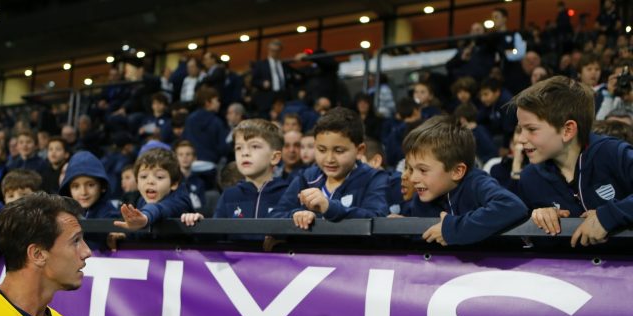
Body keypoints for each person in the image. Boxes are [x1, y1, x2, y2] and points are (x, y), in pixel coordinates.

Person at [513, 75, 633, 247]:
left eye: (531, 129)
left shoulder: (613, 154)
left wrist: (609, 215)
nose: (521, 139)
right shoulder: (530, 178)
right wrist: (536, 220)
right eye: (520, 128)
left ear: (567, 130)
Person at [401, 115, 528, 245]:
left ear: (457, 171)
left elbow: (512, 206)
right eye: (411, 169)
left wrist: (453, 229)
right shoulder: (422, 198)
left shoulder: (476, 183)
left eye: (422, 170)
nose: (413, 178)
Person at [271, 107, 389, 228]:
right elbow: (275, 216)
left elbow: (378, 219)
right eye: (321, 150)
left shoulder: (374, 178)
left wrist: (328, 207)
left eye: (339, 151)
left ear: (359, 150)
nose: (329, 159)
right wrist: (295, 215)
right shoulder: (306, 178)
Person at [181, 118, 288, 225]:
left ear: (274, 157)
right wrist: (199, 223)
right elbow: (216, 236)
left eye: (255, 146)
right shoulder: (229, 195)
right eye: (239, 148)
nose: (245, 153)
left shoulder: (287, 194)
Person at [114, 148, 193, 234]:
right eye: (143, 177)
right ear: (137, 182)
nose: (150, 181)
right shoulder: (141, 201)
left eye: (159, 177)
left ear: (174, 184)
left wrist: (145, 217)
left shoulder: (180, 200)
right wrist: (124, 237)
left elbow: (158, 208)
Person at [0, 170, 43, 263]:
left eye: (24, 195)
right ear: (4, 200)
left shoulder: (46, 221)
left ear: (37, 196)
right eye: (11, 196)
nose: (17, 200)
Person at [59, 151, 119, 250]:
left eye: (90, 185)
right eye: (76, 186)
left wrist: (114, 236)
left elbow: (112, 233)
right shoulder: (64, 212)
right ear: (68, 189)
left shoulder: (109, 212)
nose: (83, 192)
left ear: (102, 186)